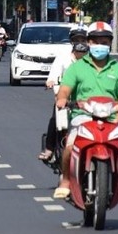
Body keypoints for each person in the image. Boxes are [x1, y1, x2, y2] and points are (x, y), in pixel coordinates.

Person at [53, 21, 118, 200]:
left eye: (104, 42)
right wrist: (62, 99)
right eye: (96, 41)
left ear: (110, 44)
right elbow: (64, 91)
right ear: (89, 42)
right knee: (70, 146)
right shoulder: (77, 67)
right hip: (83, 117)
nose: (100, 45)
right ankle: (66, 181)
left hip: (111, 118)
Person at [38, 26, 88, 160]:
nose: (80, 43)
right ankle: (49, 148)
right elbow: (54, 72)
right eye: (77, 40)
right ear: (71, 41)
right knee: (56, 118)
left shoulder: (91, 59)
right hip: (65, 96)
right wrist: (51, 81)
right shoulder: (63, 57)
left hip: (85, 98)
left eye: (83, 40)